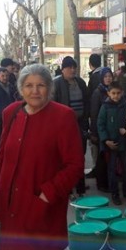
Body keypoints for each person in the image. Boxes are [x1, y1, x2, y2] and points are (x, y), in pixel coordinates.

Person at [0, 64, 84, 250]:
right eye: (29, 85)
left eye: (41, 85)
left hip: (41, 208)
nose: (35, 91)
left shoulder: (63, 116)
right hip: (14, 207)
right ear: (21, 88)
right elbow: (2, 158)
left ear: (49, 88)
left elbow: (75, 165)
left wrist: (47, 194)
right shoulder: (11, 112)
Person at [52, 56, 90, 196]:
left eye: (74, 67)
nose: (73, 70)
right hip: (64, 126)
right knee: (65, 158)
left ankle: (80, 186)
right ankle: (67, 187)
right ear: (63, 69)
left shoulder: (80, 82)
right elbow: (52, 106)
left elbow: (87, 102)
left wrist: (86, 122)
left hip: (80, 125)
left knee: (79, 155)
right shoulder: (56, 84)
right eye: (70, 67)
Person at [97, 81, 126, 205]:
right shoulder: (105, 107)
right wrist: (106, 140)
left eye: (118, 93)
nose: (116, 96)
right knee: (112, 169)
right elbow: (100, 124)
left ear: (122, 93)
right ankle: (114, 193)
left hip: (124, 143)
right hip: (111, 144)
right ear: (108, 93)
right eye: (113, 93)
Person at [88, 66, 114, 191]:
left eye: (110, 76)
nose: (108, 79)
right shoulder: (98, 92)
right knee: (101, 157)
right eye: (106, 76)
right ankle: (101, 183)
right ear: (101, 78)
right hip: (100, 129)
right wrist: (94, 132)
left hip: (111, 129)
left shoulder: (113, 90)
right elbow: (93, 113)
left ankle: (109, 180)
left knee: (109, 157)